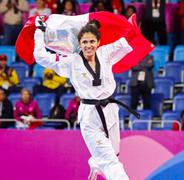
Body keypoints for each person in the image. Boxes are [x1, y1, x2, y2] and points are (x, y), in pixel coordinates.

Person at [34, 17, 134, 179]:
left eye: (92, 41)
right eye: (85, 42)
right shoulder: (71, 62)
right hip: (89, 115)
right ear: (79, 44)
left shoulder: (105, 52)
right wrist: (39, 32)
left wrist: (130, 24)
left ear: (98, 42)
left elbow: (127, 39)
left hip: (110, 110)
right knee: (110, 161)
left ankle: (95, 164)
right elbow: (40, 57)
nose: (89, 45)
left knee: (114, 154)